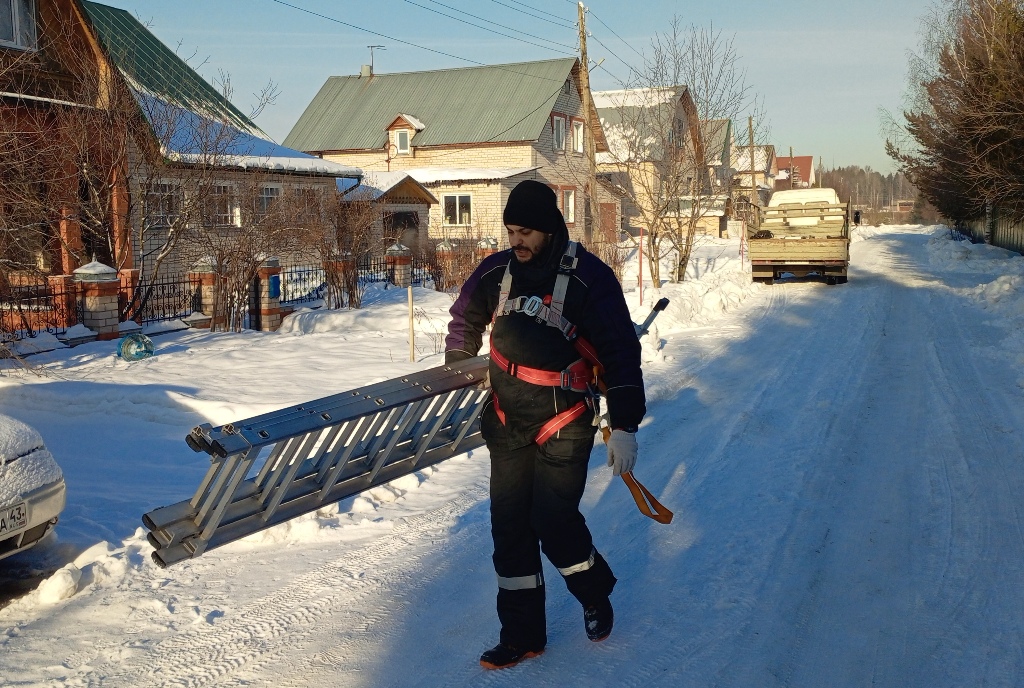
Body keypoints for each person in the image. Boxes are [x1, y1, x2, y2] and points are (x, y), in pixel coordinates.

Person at [445, 179, 646, 670]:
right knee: (509, 530)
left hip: (565, 419)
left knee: (553, 522)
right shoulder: (497, 271)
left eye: (527, 232)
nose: (518, 241)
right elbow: (464, 319)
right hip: (507, 421)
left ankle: (594, 592)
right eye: (512, 230)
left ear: (551, 228)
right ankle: (522, 636)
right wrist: (459, 365)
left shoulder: (588, 279)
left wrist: (625, 425)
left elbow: (621, 354)